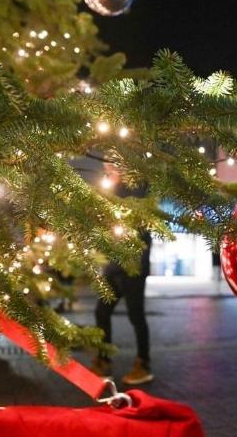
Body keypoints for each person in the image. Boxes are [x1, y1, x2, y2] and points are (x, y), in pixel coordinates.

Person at [90, 164, 154, 385]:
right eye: (106, 163)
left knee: (136, 315)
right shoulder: (110, 190)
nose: (108, 167)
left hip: (133, 267)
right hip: (113, 266)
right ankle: (103, 360)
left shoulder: (136, 188)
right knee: (101, 311)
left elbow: (141, 227)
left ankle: (144, 364)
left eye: (113, 163)